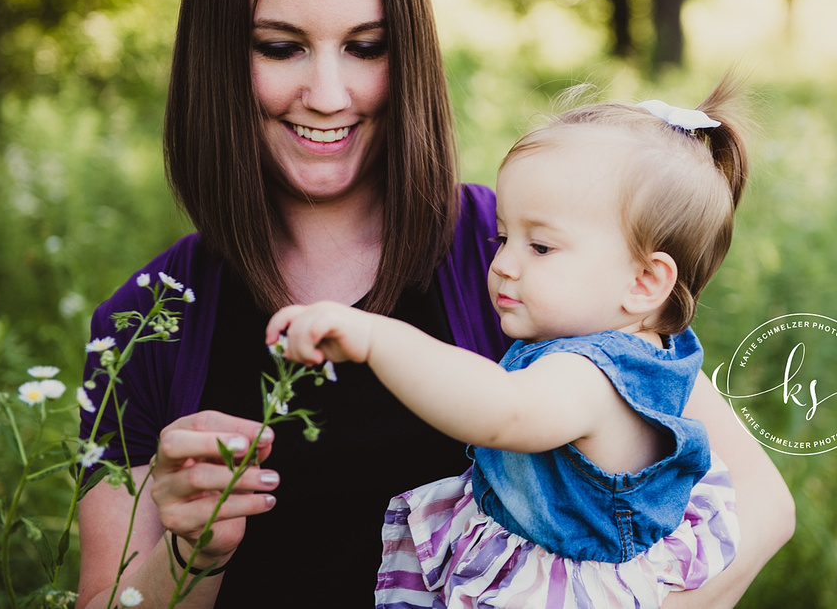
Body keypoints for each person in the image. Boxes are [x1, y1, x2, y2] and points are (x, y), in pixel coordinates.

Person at [75, 0, 794, 607]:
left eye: (366, 47)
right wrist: (193, 549)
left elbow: (761, 509)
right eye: (281, 47)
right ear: (220, 54)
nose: (328, 93)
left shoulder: (521, 263)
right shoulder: (144, 328)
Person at [266, 87, 748, 607]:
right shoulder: (648, 344)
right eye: (502, 238)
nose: (502, 265)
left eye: (540, 246)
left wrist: (376, 337)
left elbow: (501, 411)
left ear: (644, 282)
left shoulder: (592, 377)